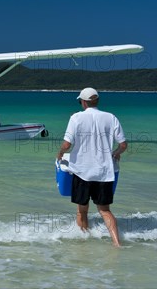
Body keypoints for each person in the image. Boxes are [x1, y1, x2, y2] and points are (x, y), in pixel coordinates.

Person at [56, 87, 127, 247]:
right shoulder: (111, 117)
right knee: (105, 210)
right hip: (104, 172)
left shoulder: (76, 118)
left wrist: (60, 152)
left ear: (83, 102)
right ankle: (117, 244)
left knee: (82, 210)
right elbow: (123, 145)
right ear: (97, 101)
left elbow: (67, 144)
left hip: (82, 172)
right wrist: (115, 153)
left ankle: (84, 244)